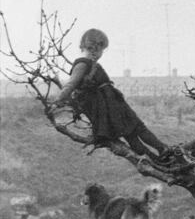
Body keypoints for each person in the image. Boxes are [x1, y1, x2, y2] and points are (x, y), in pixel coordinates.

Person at [54, 28, 171, 161]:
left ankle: (157, 157)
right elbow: (70, 85)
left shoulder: (89, 63)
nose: (101, 53)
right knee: (136, 129)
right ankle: (159, 153)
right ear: (95, 48)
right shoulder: (82, 64)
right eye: (101, 49)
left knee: (131, 133)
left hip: (111, 104)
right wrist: (57, 102)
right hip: (110, 106)